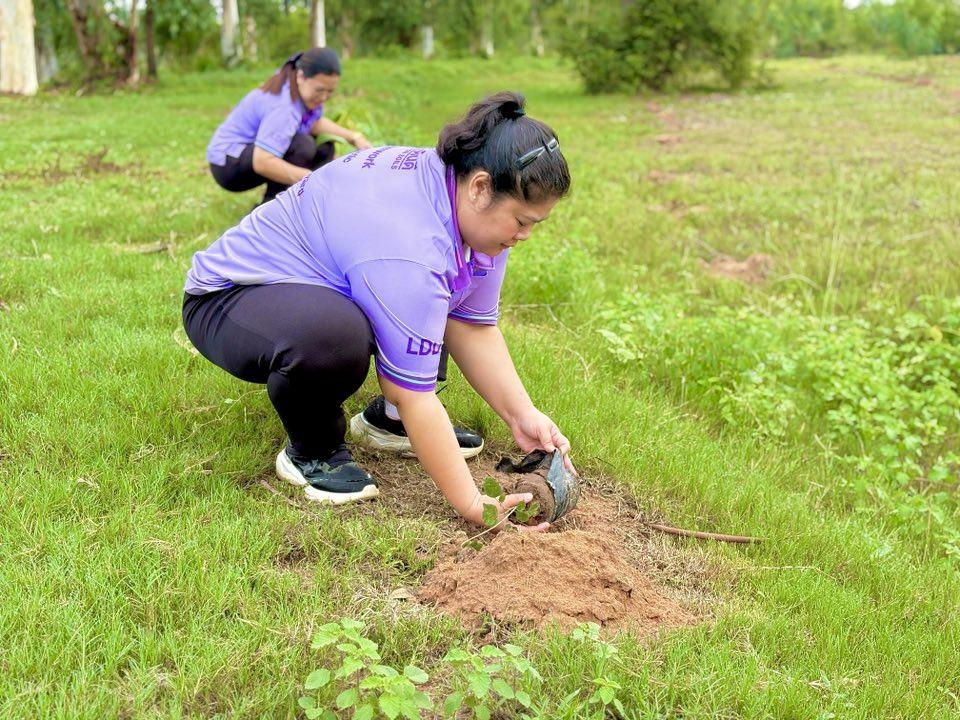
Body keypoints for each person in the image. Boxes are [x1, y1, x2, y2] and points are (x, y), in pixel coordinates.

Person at [182, 91, 572, 529]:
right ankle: (314, 451)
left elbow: (471, 325)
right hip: (231, 298)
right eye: (521, 222)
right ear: (481, 186)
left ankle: (387, 424)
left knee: (428, 298)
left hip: (327, 283)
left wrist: (523, 415)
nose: (524, 236)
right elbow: (413, 393)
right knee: (335, 337)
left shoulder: (465, 204)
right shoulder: (410, 243)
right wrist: (472, 503)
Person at [205, 47, 372, 207]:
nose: (324, 97)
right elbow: (262, 161)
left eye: (330, 91)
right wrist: (311, 179)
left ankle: (311, 202)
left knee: (324, 146)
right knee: (302, 145)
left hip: (249, 155)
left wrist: (354, 137)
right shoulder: (284, 107)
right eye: (320, 90)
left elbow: (314, 123)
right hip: (228, 165)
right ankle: (271, 210)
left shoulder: (299, 88)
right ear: (301, 76)